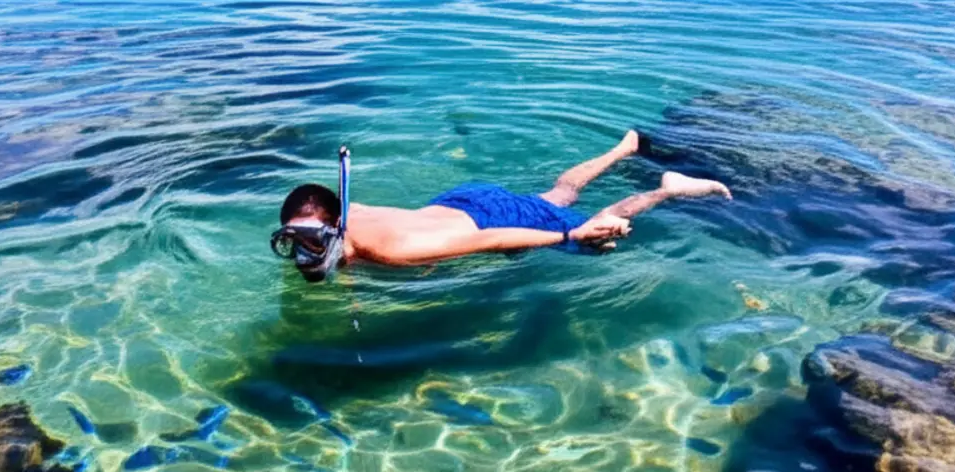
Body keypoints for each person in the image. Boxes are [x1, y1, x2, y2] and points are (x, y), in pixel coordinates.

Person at [271, 130, 732, 282]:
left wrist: (569, 237)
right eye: (291, 241)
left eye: (310, 240)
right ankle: (625, 147)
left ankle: (666, 190)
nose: (302, 254)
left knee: (594, 236)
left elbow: (488, 240)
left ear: (333, 227)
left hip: (489, 220)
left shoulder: (393, 252)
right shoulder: (348, 209)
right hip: (460, 199)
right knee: (557, 196)